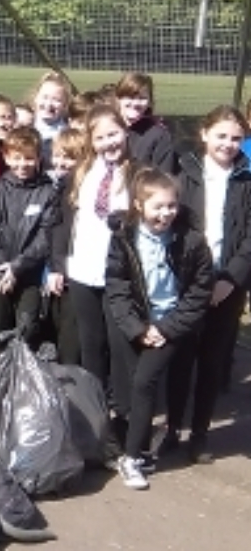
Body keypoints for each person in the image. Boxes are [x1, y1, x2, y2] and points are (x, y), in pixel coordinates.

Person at [105, 168, 212, 490]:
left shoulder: (192, 242)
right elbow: (117, 285)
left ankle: (132, 456)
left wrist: (167, 328)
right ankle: (138, 443)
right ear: (139, 205)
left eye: (172, 205)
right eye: (158, 206)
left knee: (144, 383)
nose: (166, 213)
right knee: (132, 387)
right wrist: (138, 328)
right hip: (138, 322)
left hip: (172, 324)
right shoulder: (124, 237)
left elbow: (199, 292)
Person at [167, 105, 251, 464]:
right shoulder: (184, 173)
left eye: (236, 138)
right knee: (180, 357)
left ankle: (200, 433)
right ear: (204, 134)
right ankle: (172, 429)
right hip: (187, 283)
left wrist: (230, 280)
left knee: (212, 361)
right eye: (221, 136)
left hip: (228, 285)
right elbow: (170, 225)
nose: (228, 144)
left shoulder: (247, 179)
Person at [53, 105, 138, 394]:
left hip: (119, 274)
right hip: (83, 269)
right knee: (91, 342)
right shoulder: (82, 172)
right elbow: (63, 221)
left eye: (113, 134)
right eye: (100, 138)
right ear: (91, 141)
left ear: (124, 131)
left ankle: (123, 408)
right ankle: (96, 402)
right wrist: (58, 264)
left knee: (120, 344)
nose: (109, 143)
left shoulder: (138, 171)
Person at [0, 127, 59, 342]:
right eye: (16, 158)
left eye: (29, 158)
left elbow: (45, 236)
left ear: (38, 158)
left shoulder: (48, 192)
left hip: (29, 273)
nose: (22, 164)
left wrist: (17, 266)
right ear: (6, 157)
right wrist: (2, 266)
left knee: (27, 330)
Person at [43, 127, 87, 365]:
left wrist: (59, 267)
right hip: (57, 269)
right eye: (57, 155)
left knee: (70, 336)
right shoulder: (56, 185)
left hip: (73, 273)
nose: (61, 162)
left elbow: (64, 231)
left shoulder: (75, 190)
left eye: (69, 157)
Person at [114, 72, 175, 174]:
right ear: (118, 99)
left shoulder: (159, 135)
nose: (135, 103)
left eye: (142, 98)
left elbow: (163, 177)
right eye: (130, 97)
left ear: (150, 102)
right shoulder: (106, 128)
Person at [30, 71, 71, 149]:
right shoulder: (26, 124)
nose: (49, 104)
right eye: (45, 97)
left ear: (65, 105)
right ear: (35, 98)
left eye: (56, 100)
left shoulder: (66, 132)